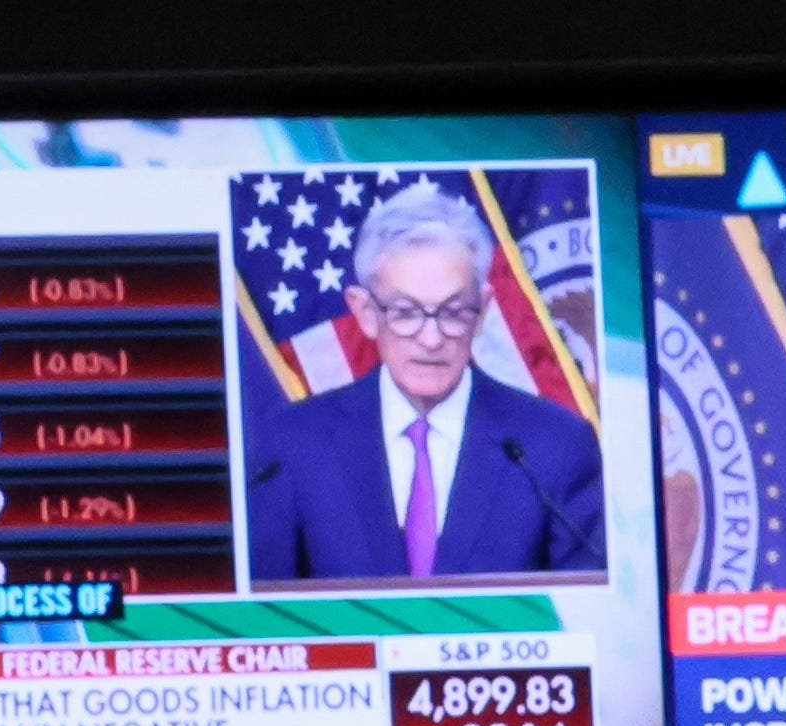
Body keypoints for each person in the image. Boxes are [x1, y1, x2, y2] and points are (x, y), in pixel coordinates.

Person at [242, 182, 608, 586]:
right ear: (364, 312)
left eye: (452, 312)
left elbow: (583, 616)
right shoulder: (294, 443)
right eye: (404, 312)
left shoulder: (555, 445)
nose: (431, 339)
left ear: (482, 310)